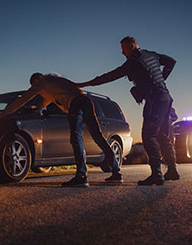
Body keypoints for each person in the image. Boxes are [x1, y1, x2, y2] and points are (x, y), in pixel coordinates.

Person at [77, 36, 180, 185]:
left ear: (132, 46)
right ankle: (172, 170)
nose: (122, 53)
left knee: (148, 135)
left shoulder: (132, 63)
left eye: (123, 49)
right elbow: (171, 62)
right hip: (165, 98)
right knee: (162, 135)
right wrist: (161, 80)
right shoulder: (152, 54)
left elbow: (110, 76)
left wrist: (87, 84)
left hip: (155, 100)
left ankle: (157, 174)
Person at [0, 73, 122, 187]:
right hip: (86, 101)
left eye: (34, 86)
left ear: (36, 81)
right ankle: (116, 173)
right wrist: (35, 108)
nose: (38, 91)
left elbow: (23, 99)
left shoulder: (41, 83)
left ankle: (81, 175)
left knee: (76, 138)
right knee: (98, 137)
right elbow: (43, 104)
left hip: (76, 104)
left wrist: (3, 114)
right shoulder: (54, 82)